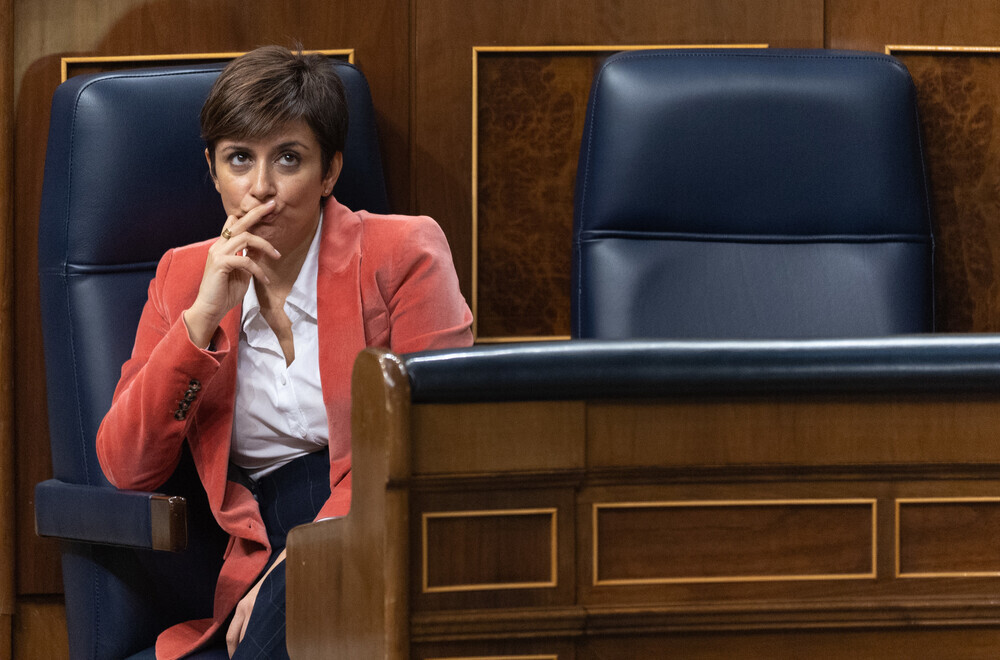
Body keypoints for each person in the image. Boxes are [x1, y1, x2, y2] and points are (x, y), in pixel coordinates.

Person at [96, 46, 473, 660]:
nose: (261, 189)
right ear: (214, 171)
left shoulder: (405, 253)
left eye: (289, 159)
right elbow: (126, 465)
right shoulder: (182, 277)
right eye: (239, 159)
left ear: (329, 174)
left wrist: (306, 557)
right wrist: (201, 322)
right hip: (266, 541)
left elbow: (437, 438)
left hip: (386, 519)